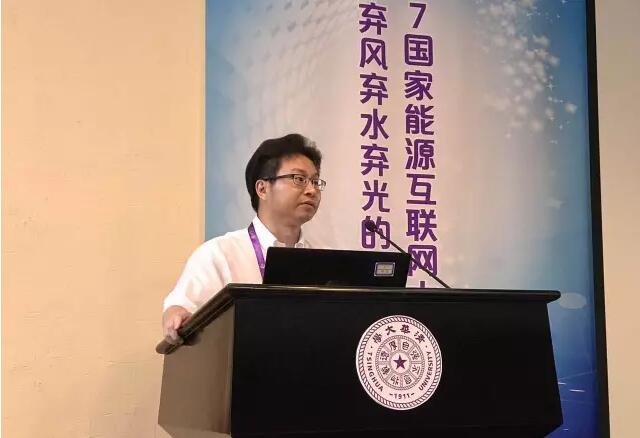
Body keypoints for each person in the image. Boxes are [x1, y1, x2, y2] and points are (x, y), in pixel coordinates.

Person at [162, 133, 325, 342]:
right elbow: (180, 307)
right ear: (262, 189)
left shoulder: (323, 257)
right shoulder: (220, 254)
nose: (312, 190)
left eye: (315, 181)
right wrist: (176, 316)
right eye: (299, 179)